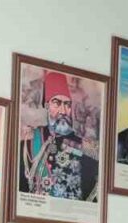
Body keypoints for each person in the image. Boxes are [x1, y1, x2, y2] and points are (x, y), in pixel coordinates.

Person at [19, 71, 100, 201]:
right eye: (57, 103)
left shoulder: (87, 147)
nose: (63, 111)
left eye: (67, 104)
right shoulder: (29, 143)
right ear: (47, 105)